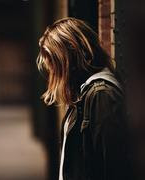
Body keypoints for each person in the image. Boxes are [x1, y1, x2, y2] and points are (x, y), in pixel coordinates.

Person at [37, 17, 134, 180]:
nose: (53, 74)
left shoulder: (101, 95)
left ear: (68, 60)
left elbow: (114, 168)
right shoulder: (82, 95)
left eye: (54, 65)